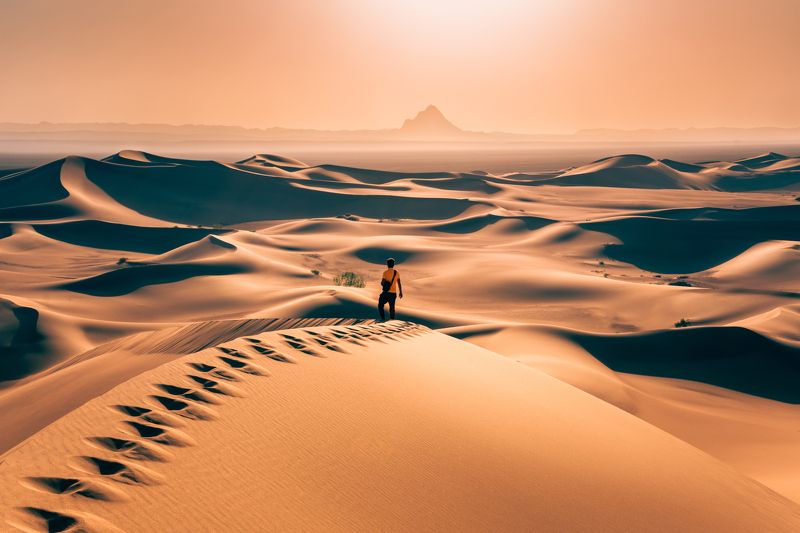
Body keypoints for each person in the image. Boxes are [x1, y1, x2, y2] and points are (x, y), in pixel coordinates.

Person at [378, 257, 403, 321]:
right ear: (393, 264)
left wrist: (384, 283)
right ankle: (392, 321)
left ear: (387, 264)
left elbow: (382, 283)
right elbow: (399, 283)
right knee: (392, 308)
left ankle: (383, 319)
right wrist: (400, 292)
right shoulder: (396, 273)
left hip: (386, 293)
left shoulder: (385, 273)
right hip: (393, 293)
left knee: (380, 305)